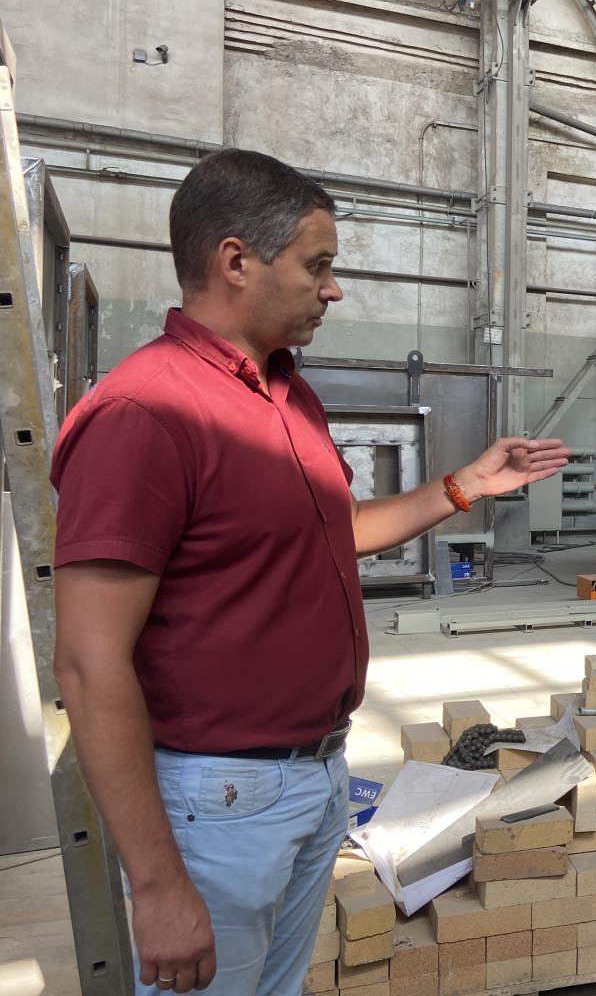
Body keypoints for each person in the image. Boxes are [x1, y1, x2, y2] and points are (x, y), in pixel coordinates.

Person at [50, 149, 569, 995]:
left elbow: (332, 532)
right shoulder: (147, 413)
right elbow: (87, 660)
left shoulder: (287, 396)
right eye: (317, 266)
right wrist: (158, 882)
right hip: (219, 797)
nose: (334, 290)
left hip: (314, 774)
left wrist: (463, 487)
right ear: (236, 261)